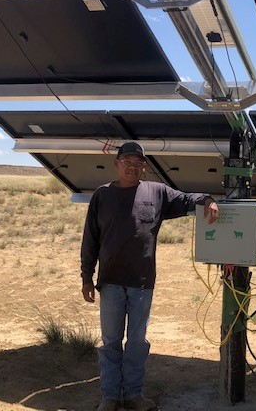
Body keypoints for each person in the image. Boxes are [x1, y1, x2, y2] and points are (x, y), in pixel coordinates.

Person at [81, 142, 219, 411]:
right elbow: (90, 239)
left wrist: (209, 200)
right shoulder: (102, 195)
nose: (133, 167)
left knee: (136, 342)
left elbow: (187, 198)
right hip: (110, 282)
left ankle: (133, 395)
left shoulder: (156, 191)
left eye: (138, 163)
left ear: (144, 166)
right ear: (117, 164)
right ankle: (109, 396)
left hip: (142, 282)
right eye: (127, 162)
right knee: (110, 341)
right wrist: (87, 276)